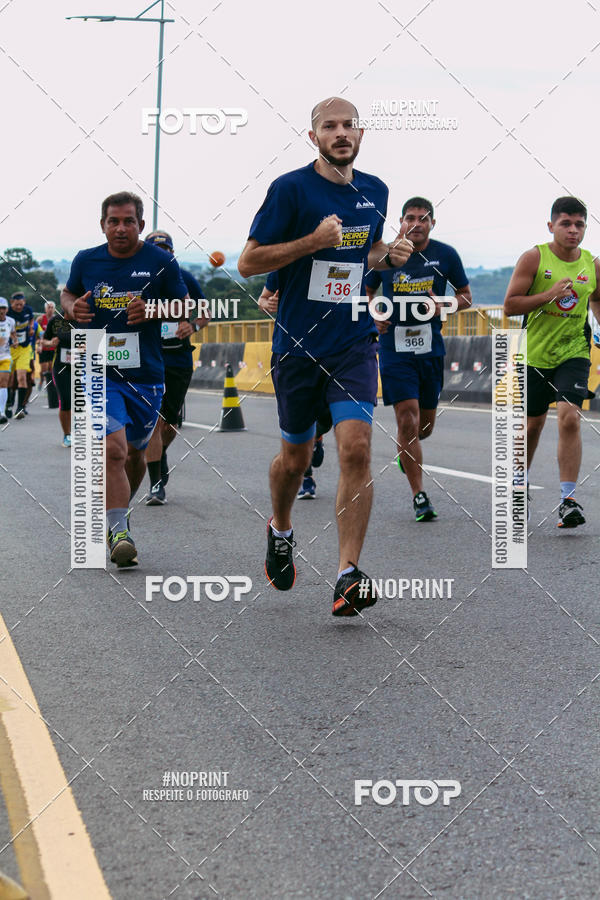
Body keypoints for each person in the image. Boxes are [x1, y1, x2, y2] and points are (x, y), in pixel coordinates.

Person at [238, 96, 413, 616]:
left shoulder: (375, 189)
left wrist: (389, 256)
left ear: (361, 134)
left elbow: (367, 253)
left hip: (354, 342)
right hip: (297, 348)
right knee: (295, 461)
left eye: (349, 125)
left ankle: (347, 575)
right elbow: (249, 262)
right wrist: (312, 240)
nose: (341, 133)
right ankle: (282, 527)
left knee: (356, 450)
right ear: (313, 137)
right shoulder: (290, 189)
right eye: (329, 126)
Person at [60, 191, 189, 567]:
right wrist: (73, 308)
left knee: (134, 454)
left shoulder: (161, 262)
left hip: (146, 373)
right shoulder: (87, 260)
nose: (120, 228)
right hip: (96, 362)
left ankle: (118, 513)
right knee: (111, 450)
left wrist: (153, 308)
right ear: (103, 225)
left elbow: (184, 305)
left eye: (128, 221)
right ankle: (119, 532)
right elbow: (68, 294)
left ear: (141, 225)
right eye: (113, 221)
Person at [365, 197, 471, 521]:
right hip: (394, 347)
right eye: (410, 217)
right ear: (400, 221)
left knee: (423, 427)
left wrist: (444, 306)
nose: (416, 223)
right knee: (406, 419)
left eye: (423, 218)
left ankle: (406, 452)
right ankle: (419, 496)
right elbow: (366, 292)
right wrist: (373, 315)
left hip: (430, 348)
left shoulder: (445, 254)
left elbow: (466, 297)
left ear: (432, 224)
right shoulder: (387, 256)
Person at [504, 195, 600, 528]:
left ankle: (568, 499)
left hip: (574, 351)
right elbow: (510, 306)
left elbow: (597, 299)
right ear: (551, 226)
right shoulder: (534, 258)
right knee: (533, 424)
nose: (573, 231)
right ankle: (520, 484)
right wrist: (548, 295)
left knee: (570, 418)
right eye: (566, 224)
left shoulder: (592, 264)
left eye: (580, 225)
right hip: (535, 354)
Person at [143, 230, 209, 505]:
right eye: (157, 250)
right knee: (154, 422)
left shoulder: (185, 278)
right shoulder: (139, 281)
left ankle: (161, 455)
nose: (164, 254)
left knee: (169, 425)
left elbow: (205, 312)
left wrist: (191, 325)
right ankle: (156, 483)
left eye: (167, 250)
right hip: (148, 358)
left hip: (179, 358)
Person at [258, 271, 332, 500]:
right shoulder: (287, 259)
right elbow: (262, 299)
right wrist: (267, 303)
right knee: (300, 424)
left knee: (327, 418)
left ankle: (318, 437)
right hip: (294, 353)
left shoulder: (338, 258)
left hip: (334, 349)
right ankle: (306, 478)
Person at [40, 310, 74, 446]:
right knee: (66, 400)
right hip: (62, 365)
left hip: (86, 365)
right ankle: (67, 435)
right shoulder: (56, 321)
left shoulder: (88, 317)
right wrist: (50, 343)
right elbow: (43, 341)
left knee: (87, 402)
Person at [7, 291, 35, 419]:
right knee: (8, 379)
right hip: (9, 349)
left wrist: (30, 328)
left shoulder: (28, 310)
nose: (19, 307)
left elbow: (31, 318)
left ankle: (20, 408)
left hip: (24, 348)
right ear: (11, 303)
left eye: (21, 305)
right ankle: (8, 403)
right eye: (16, 305)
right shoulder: (7, 313)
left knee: (22, 377)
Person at [0, 298, 17, 424]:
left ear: (7, 309)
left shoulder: (11, 321)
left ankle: (1, 412)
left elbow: (13, 334)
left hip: (5, 356)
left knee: (3, 383)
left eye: (3, 308)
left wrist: (15, 341)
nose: (1, 311)